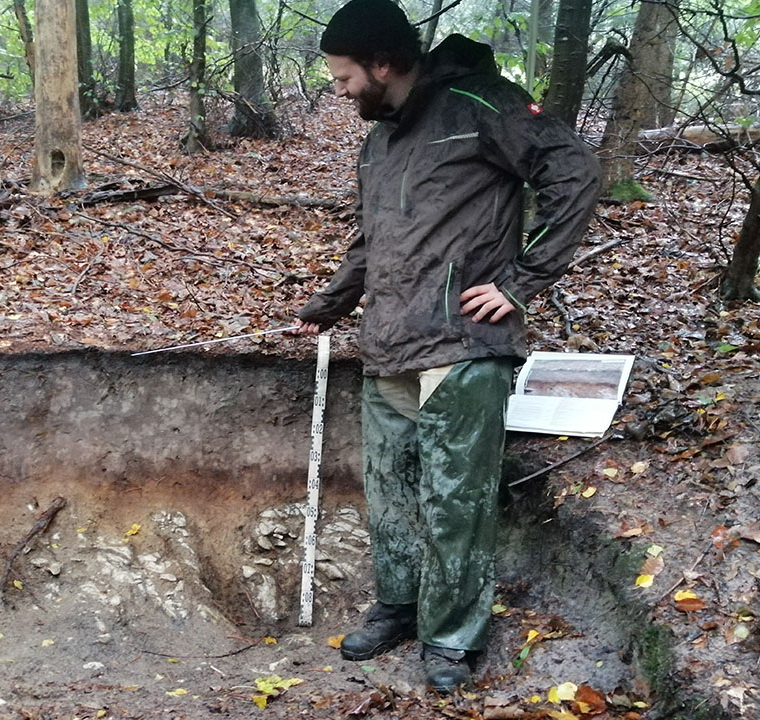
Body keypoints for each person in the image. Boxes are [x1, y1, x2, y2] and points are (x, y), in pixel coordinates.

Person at [295, 0, 601, 693]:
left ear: (382, 63)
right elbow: (371, 241)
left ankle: (451, 637)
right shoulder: (379, 138)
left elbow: (575, 173)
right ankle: (399, 608)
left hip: (464, 346)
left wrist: (522, 281)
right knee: (394, 495)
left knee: (455, 501)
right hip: (389, 347)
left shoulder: (479, 103)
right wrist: (329, 304)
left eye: (345, 79)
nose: (340, 93)